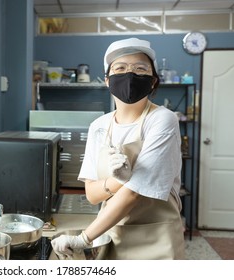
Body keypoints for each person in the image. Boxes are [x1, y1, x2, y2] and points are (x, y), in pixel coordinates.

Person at [51, 38, 185, 260]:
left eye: (140, 69)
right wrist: (121, 180)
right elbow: (92, 195)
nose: (130, 75)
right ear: (107, 80)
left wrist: (83, 239)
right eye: (120, 68)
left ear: (153, 81)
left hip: (157, 238)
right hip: (111, 232)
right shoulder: (99, 126)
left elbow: (133, 193)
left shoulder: (162, 119)